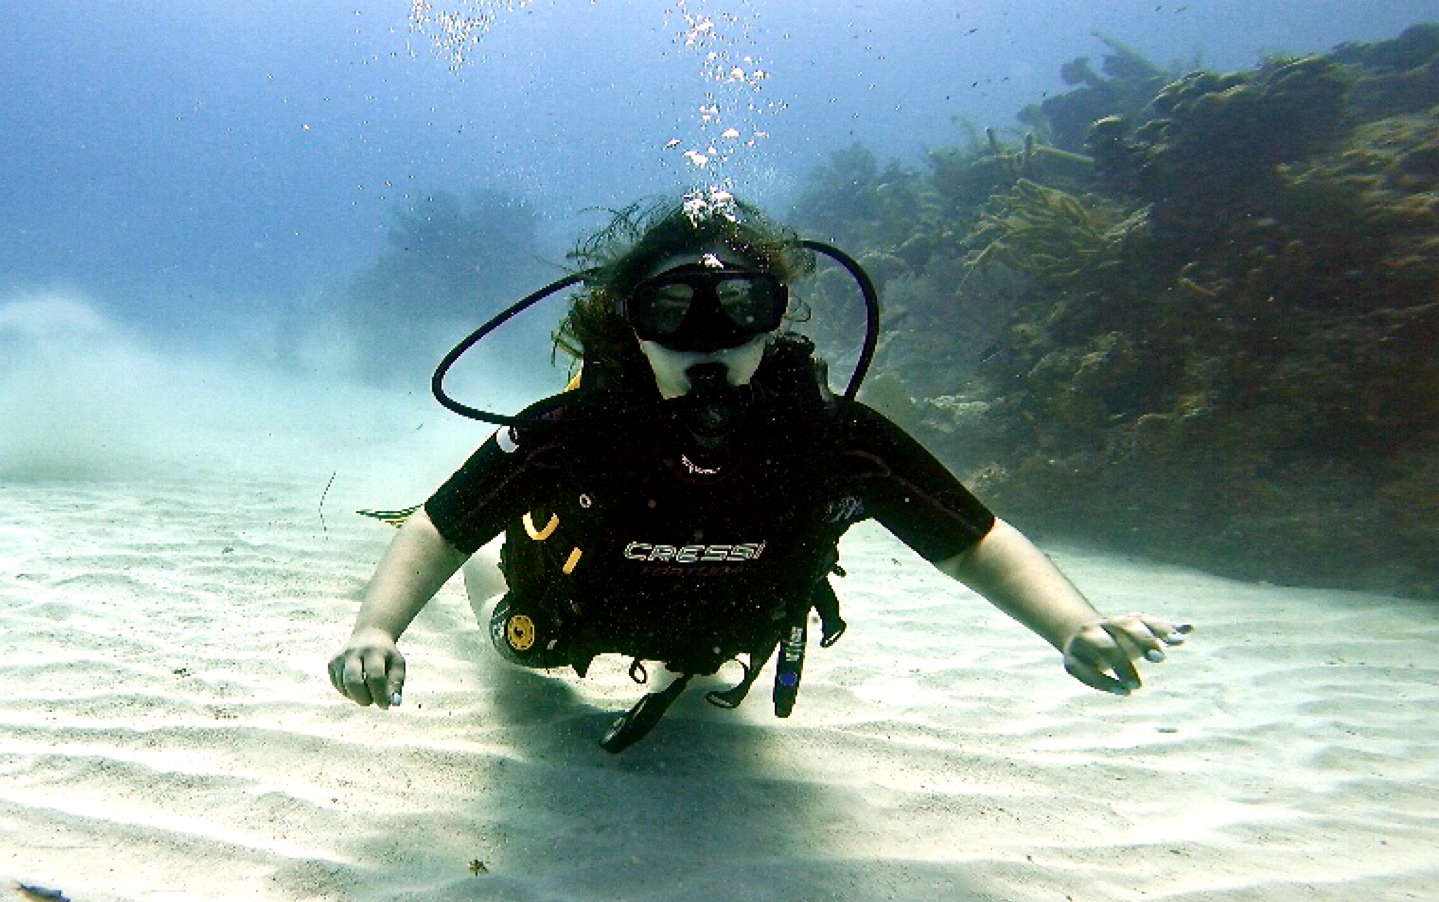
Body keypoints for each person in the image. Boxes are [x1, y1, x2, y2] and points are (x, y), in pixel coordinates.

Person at [328, 196, 1189, 751]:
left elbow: (970, 543)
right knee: (517, 651)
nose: (710, 341)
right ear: (630, 328)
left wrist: (1071, 626)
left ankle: (678, 664)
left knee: (703, 664)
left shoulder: (829, 436)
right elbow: (440, 526)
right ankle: (498, 579)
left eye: (740, 309)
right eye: (671, 313)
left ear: (773, 319)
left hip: (729, 621)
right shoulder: (572, 429)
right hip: (571, 614)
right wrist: (379, 629)